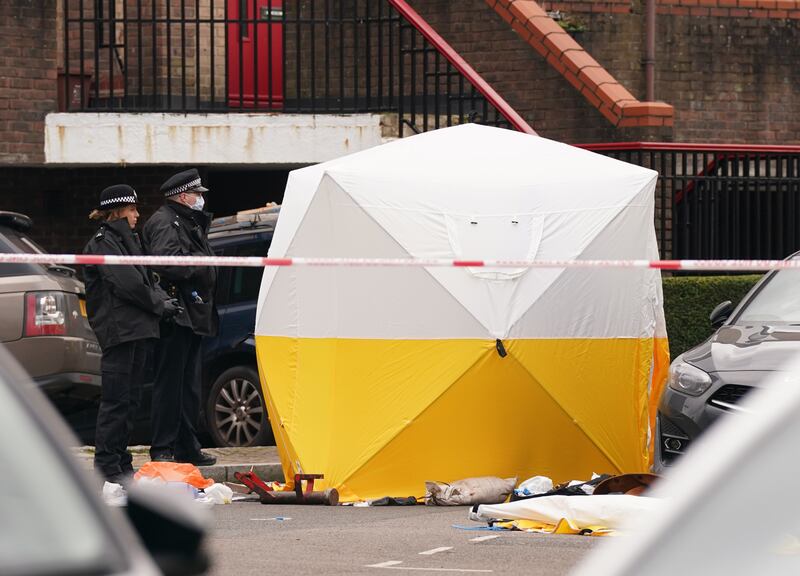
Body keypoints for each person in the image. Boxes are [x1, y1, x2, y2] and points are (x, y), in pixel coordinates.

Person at [83, 184, 182, 484]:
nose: (138, 215)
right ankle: (107, 466)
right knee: (116, 402)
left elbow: (145, 278)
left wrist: (163, 300)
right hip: (120, 333)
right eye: (132, 210)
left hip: (137, 331)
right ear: (117, 212)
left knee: (131, 402)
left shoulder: (128, 240)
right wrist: (158, 305)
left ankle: (121, 462)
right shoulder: (104, 243)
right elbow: (127, 284)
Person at [142, 168, 219, 466]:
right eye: (197, 195)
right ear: (184, 196)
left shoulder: (186, 221)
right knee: (170, 386)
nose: (201, 200)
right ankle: (163, 448)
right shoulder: (166, 222)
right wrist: (201, 266)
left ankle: (187, 446)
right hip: (176, 315)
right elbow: (168, 263)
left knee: (188, 388)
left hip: (192, 314)